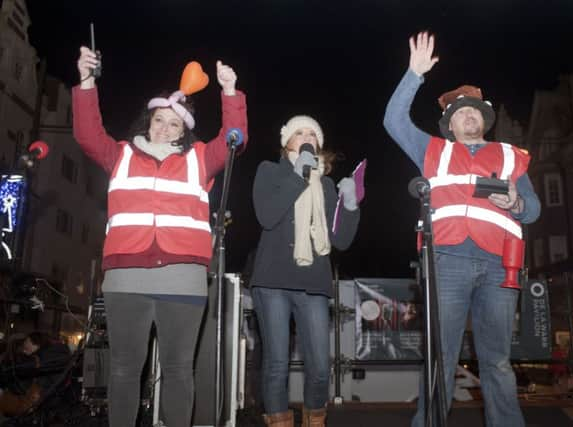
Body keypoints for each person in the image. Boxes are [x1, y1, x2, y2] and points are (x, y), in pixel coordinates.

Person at [73, 46, 247, 427]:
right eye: (159, 120)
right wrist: (87, 81)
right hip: (125, 277)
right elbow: (87, 134)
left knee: (179, 370)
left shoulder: (199, 158)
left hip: (183, 280)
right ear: (147, 121)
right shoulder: (118, 154)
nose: (165, 128)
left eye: (174, 124)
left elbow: (234, 140)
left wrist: (230, 93)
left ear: (184, 131)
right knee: (122, 370)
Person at [383, 32, 541, 427]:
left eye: (474, 111)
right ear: (449, 123)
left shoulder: (510, 156)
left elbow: (534, 210)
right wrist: (413, 75)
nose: (468, 115)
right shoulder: (430, 149)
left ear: (484, 120)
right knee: (440, 356)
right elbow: (392, 120)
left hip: (498, 268)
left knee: (498, 361)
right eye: (460, 111)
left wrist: (517, 203)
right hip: (446, 261)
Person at [250, 115, 361, 427]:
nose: (306, 135)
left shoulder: (325, 184)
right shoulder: (269, 171)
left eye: (312, 132)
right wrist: (298, 177)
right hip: (272, 281)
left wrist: (350, 206)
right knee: (276, 365)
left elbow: (341, 239)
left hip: (313, 282)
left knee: (318, 368)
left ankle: (315, 420)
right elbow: (268, 216)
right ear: (287, 142)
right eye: (298, 132)